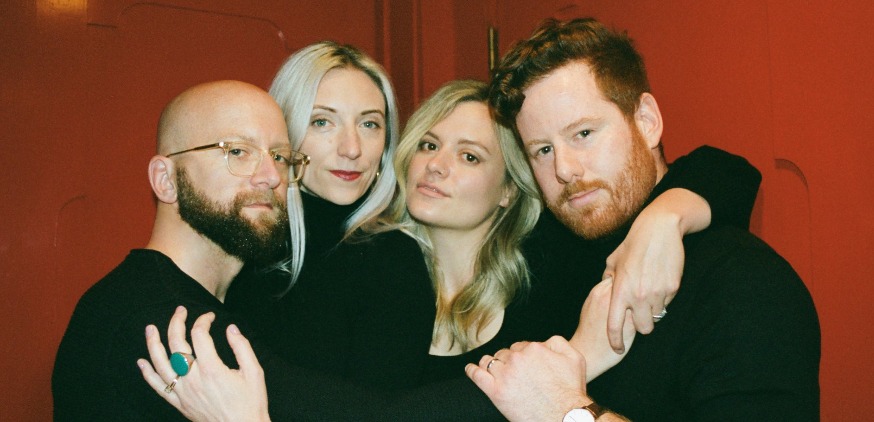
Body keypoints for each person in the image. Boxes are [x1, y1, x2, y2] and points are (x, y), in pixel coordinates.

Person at [136, 79, 762, 420]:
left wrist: (665, 219)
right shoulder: (358, 263)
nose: (436, 166)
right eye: (429, 145)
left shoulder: (552, 267)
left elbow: (729, 171)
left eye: (469, 156)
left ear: (508, 189)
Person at [465, 18, 820, 421]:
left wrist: (566, 411)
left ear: (647, 122)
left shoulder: (742, 282)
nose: (564, 168)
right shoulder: (538, 264)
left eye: (583, 133)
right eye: (542, 150)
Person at [51, 80, 306, 420]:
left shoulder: (205, 306)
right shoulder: (157, 323)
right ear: (165, 179)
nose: (272, 176)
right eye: (237, 151)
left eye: (279, 156)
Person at [228, 41, 400, 295]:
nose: (351, 149)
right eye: (322, 122)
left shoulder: (396, 259)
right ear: (284, 130)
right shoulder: (240, 240)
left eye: (369, 124)